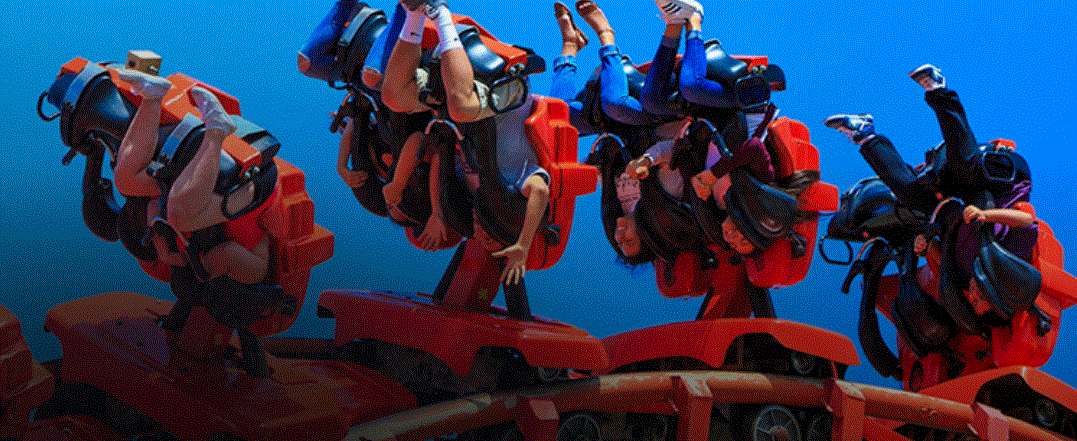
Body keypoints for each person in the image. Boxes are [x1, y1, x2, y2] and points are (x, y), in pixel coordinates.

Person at [380, 0, 551, 285]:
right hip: (505, 95)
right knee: (461, 108)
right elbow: (541, 191)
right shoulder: (514, 182)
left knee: (394, 96)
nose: (480, 233)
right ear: (502, 224)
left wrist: (435, 211)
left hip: (460, 97)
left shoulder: (467, 186)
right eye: (490, 238)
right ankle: (440, 11)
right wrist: (523, 244)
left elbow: (435, 154)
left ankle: (415, 14)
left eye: (480, 239)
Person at [825, 64, 1037, 278]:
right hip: (993, 185)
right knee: (965, 167)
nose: (975, 292)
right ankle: (938, 88)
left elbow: (943, 252)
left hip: (954, 203)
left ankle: (865, 135)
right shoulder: (1010, 257)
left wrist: (925, 245)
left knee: (911, 196)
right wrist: (985, 215)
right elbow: (1026, 220)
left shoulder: (965, 273)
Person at [113, 69, 272, 333]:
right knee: (179, 216)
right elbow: (225, 254)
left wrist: (165, 249)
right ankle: (216, 129)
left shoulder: (180, 248)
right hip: (250, 191)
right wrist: (199, 267)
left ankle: (152, 97)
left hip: (206, 193)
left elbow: (154, 208)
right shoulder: (251, 272)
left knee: (126, 182)